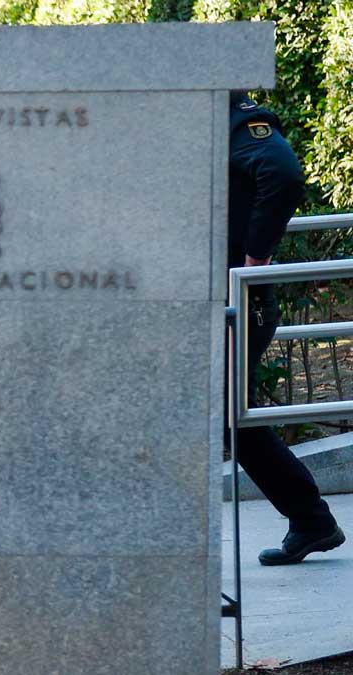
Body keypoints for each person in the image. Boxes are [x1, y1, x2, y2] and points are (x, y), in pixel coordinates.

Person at [229, 91, 344, 565]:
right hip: (218, 295)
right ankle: (311, 519)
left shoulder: (236, 122)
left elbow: (284, 172)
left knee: (226, 412)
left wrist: (256, 257)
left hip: (238, 296)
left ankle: (312, 518)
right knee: (229, 415)